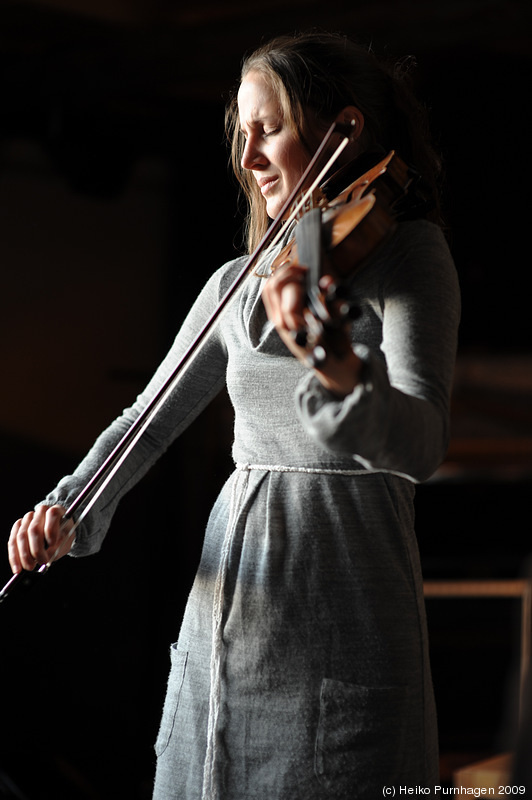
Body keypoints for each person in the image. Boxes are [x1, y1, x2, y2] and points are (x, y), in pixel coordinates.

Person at [7, 31, 460, 799]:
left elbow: (423, 443)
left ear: (338, 129)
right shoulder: (238, 282)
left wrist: (339, 368)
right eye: (241, 133)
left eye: (270, 128)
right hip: (230, 610)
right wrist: (70, 505)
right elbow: (145, 419)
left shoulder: (407, 255)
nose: (248, 157)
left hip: (344, 594)